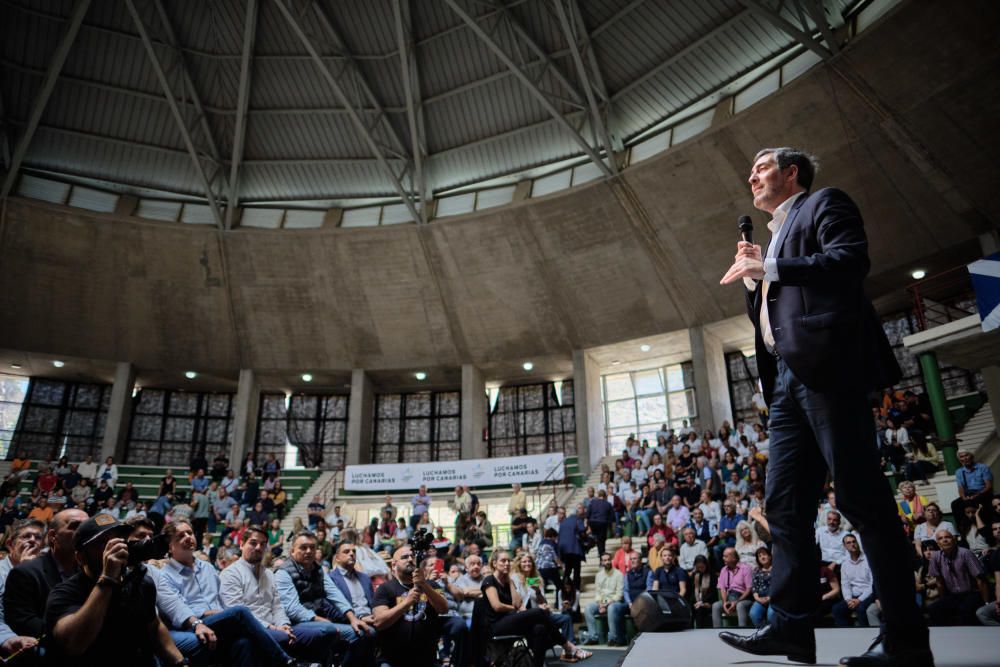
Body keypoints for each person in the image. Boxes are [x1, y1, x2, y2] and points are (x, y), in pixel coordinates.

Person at [718, 147, 929, 667]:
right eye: (751, 172)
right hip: (785, 384)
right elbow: (773, 313)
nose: (752, 176)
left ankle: (905, 642)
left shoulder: (824, 204)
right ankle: (792, 631)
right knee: (785, 509)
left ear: (791, 174)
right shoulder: (773, 239)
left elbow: (849, 261)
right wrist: (755, 281)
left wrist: (767, 266)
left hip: (829, 370)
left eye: (762, 168)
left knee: (863, 502)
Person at [45, 514, 184, 665]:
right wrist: (107, 579)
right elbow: (73, 645)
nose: (116, 547)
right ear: (81, 558)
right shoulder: (64, 593)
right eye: (103, 543)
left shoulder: (142, 583)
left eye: (119, 539)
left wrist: (180, 662)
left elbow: (154, 626)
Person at [155, 519, 293, 667]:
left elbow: (220, 600)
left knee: (243, 643)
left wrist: (220, 612)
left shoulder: (207, 567)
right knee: (240, 611)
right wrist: (207, 613)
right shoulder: (165, 575)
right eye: (180, 536)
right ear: (170, 547)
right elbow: (178, 610)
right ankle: (284, 660)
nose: (188, 537)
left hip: (219, 620)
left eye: (190, 533)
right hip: (194, 623)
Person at [220, 525, 324, 662]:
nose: (258, 547)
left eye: (263, 544)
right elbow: (238, 614)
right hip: (251, 630)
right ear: (241, 544)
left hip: (275, 627)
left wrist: (283, 624)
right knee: (279, 638)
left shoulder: (269, 574)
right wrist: (273, 627)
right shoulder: (230, 574)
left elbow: (277, 606)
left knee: (323, 632)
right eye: (253, 543)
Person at [274, 532, 370, 666]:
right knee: (338, 631)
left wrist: (353, 618)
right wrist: (322, 621)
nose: (309, 551)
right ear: (292, 551)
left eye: (312, 547)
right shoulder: (283, 573)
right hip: (296, 624)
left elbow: (335, 594)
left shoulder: (318, 570)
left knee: (366, 631)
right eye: (303, 547)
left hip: (320, 621)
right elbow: (292, 609)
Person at [480, 550, 590, 665]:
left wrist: (511, 583)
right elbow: (497, 606)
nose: (507, 563)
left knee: (540, 628)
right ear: (494, 563)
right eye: (503, 561)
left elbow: (517, 604)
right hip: (497, 625)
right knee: (538, 612)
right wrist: (516, 610)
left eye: (508, 561)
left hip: (511, 621)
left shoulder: (509, 582)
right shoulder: (489, 580)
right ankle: (567, 646)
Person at [4, 508, 87, 643]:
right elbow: (22, 621)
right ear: (53, 536)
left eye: (37, 537)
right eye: (75, 526)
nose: (84, 532)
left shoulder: (91, 569)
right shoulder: (24, 572)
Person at [371, 543, 447, 667]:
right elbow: (379, 622)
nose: (410, 559)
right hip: (392, 659)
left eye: (412, 556)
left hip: (426, 658)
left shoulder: (431, 585)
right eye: (405, 557)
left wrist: (424, 585)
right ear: (394, 565)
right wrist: (406, 602)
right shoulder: (385, 588)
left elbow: (443, 609)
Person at [0, 520, 44, 659]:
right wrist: (9, 639)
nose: (32, 541)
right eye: (26, 536)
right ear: (10, 545)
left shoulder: (47, 571)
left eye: (37, 537)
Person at [926, 528, 988, 626]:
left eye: (947, 537)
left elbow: (980, 579)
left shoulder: (965, 553)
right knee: (934, 609)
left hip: (972, 593)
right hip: (953, 595)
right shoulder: (936, 557)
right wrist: (943, 600)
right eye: (941, 538)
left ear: (954, 540)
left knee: (965, 609)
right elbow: (939, 582)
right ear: (938, 544)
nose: (945, 540)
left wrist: (986, 602)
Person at [582, 552, 624, 646]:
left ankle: (613, 638)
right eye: (605, 560)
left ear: (611, 560)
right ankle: (593, 636)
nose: (607, 562)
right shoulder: (599, 575)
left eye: (609, 560)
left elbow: (619, 594)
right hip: (602, 602)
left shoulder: (619, 574)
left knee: (611, 608)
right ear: (602, 562)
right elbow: (598, 592)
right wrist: (600, 603)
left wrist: (606, 604)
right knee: (589, 608)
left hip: (614, 602)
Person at [712, 547, 753, 628]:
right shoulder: (724, 570)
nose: (723, 558)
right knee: (716, 606)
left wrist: (736, 602)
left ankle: (742, 630)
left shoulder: (745, 568)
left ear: (734, 558)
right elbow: (722, 588)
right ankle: (717, 631)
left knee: (740, 605)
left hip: (744, 598)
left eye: (726, 556)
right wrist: (724, 602)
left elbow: (749, 589)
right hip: (729, 597)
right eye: (723, 556)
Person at [952, 451, 994, 518]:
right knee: (955, 504)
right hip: (969, 495)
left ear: (971, 456)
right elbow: (960, 488)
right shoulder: (959, 472)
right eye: (962, 457)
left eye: (966, 455)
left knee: (979, 501)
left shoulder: (983, 467)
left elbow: (988, 486)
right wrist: (963, 497)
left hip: (982, 493)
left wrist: (977, 494)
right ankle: (963, 527)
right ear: (960, 460)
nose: (965, 458)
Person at [974, 518, 1000, 625]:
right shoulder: (997, 554)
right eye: (995, 529)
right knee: (982, 613)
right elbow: (999, 582)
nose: (998, 531)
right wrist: (999, 603)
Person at [749, 546, 776, 628]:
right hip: (760, 599)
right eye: (759, 556)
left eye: (764, 554)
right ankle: (763, 634)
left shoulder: (777, 569)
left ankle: (774, 634)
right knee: (753, 614)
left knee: (771, 614)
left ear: (770, 556)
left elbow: (780, 586)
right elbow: (754, 588)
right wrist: (758, 599)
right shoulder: (756, 571)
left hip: (774, 598)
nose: (762, 557)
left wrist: (769, 598)